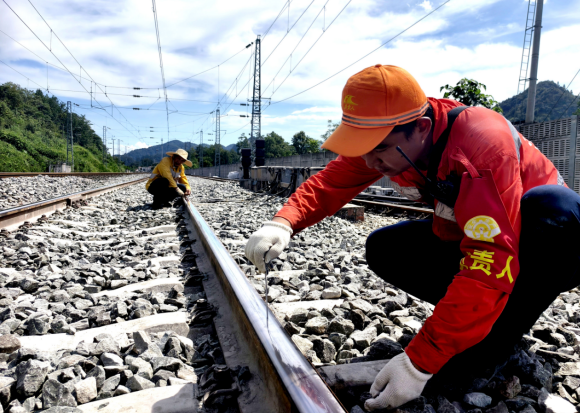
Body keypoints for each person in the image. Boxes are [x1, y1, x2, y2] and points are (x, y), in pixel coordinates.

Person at [245, 65, 580, 410]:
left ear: (421, 128)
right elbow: (330, 182)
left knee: (554, 209)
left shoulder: (483, 146)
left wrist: (421, 360)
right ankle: (471, 322)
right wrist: (283, 223)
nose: (370, 161)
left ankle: (492, 342)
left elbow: (490, 257)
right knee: (385, 247)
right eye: (363, 149)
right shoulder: (388, 141)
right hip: (484, 242)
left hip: (549, 248)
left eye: (379, 150)